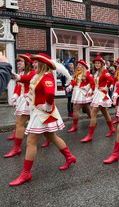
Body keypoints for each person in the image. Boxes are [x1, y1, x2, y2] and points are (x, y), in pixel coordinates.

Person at [9, 53, 76, 186]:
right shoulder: (36, 75)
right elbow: (26, 79)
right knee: (52, 137)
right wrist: (16, 77)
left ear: (43, 63)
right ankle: (70, 157)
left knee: (31, 141)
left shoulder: (47, 76)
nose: (33, 64)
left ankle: (26, 173)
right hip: (37, 112)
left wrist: (48, 104)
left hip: (43, 113)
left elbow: (50, 93)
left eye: (36, 62)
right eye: (33, 62)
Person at [4, 54, 36, 158]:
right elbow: (19, 86)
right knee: (24, 122)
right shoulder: (21, 73)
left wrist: (18, 77)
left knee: (21, 123)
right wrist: (15, 96)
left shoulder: (33, 73)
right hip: (24, 100)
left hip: (31, 100)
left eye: (21, 62)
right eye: (17, 62)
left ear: (27, 63)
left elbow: (27, 79)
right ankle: (17, 147)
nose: (18, 64)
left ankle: (17, 148)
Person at [80, 56, 115, 142]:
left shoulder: (104, 71)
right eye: (96, 63)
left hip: (101, 95)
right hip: (97, 94)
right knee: (105, 113)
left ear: (102, 64)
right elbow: (94, 84)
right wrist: (91, 90)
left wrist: (106, 87)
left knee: (93, 112)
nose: (97, 64)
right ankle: (112, 129)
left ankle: (90, 135)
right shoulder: (96, 72)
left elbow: (111, 80)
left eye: (99, 63)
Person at [66, 60, 95, 133]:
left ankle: (74, 126)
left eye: (80, 65)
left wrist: (88, 89)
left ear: (83, 66)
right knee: (87, 108)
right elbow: (73, 82)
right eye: (78, 65)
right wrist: (70, 86)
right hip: (76, 92)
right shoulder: (76, 74)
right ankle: (93, 121)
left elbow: (93, 83)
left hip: (82, 93)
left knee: (75, 109)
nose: (78, 66)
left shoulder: (87, 74)